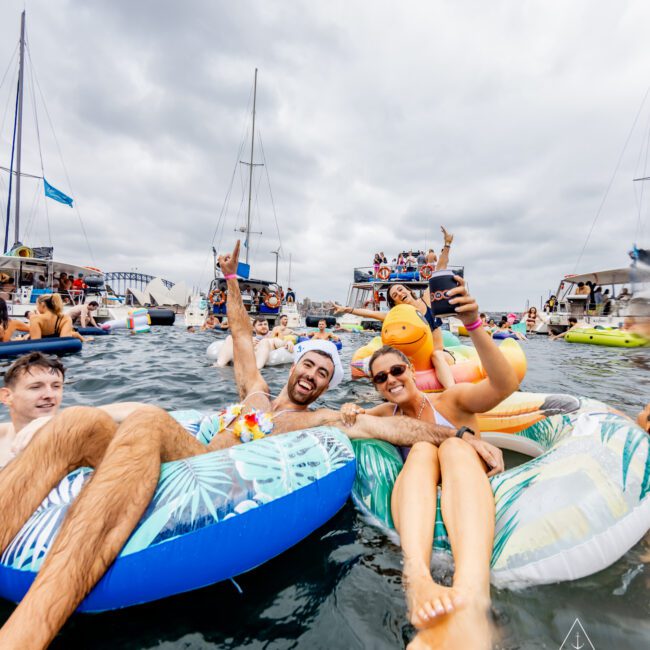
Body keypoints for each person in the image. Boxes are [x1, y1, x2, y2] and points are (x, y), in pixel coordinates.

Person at [0, 242, 470, 645]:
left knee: (145, 421)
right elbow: (242, 335)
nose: (312, 376)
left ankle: (26, 634)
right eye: (309, 365)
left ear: (328, 387)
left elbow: (384, 429)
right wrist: (228, 278)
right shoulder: (255, 392)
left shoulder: (316, 420)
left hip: (200, 465)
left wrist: (456, 436)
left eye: (323, 374)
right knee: (76, 421)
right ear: (294, 365)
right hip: (178, 447)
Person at [339, 276, 516, 649]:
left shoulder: (450, 399)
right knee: (420, 450)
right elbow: (346, 425)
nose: (390, 379)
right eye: (381, 378)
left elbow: (503, 386)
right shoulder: (385, 413)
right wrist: (351, 408)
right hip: (418, 494)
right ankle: (416, 578)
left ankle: (473, 597)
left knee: (452, 448)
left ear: (410, 368)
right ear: (376, 385)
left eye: (396, 370)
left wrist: (474, 325)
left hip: (466, 485)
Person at [215, 316, 294, 369]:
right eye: (260, 324)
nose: (263, 326)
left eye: (265, 324)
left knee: (264, 341)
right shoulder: (249, 338)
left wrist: (288, 342)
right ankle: (219, 365)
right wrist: (247, 342)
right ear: (254, 328)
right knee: (230, 337)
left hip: (257, 362)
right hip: (242, 358)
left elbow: (282, 343)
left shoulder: (272, 340)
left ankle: (256, 369)